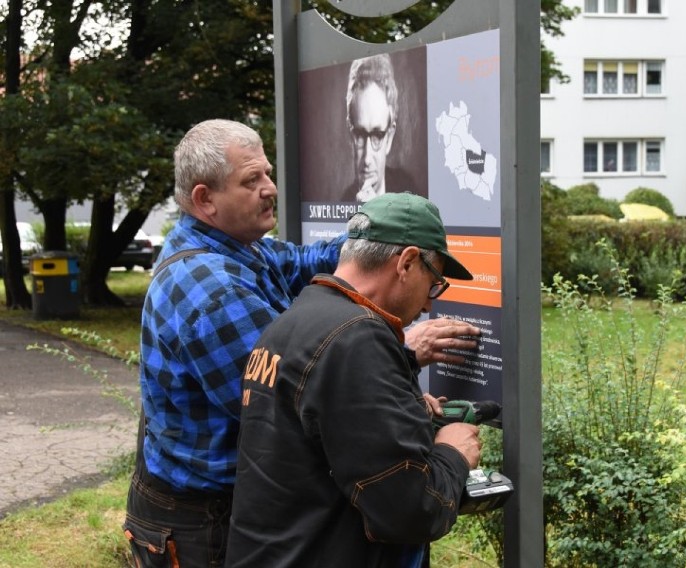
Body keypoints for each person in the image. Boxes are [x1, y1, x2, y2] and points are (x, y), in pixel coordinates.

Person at [122, 120, 479, 567]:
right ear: (204, 199)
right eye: (251, 180)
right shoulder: (212, 289)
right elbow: (282, 402)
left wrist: (383, 234)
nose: (270, 188)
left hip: (225, 502)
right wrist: (393, 364)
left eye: (268, 173)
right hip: (202, 519)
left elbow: (309, 260)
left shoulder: (244, 250)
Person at [226, 193, 482, 567]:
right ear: (407, 262)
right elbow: (409, 510)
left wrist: (403, 406)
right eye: (433, 283)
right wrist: (453, 453)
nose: (429, 305)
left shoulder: (296, 318)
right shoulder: (358, 339)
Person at [341, 53, 419, 203]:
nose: (367, 159)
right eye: (360, 135)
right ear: (351, 137)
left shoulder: (411, 193)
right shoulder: (342, 203)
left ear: (389, 138)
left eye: (377, 135)